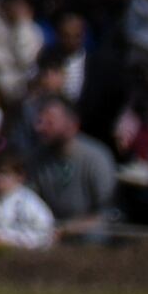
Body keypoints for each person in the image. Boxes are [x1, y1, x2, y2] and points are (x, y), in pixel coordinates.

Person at [23, 93, 115, 241]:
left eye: (50, 122)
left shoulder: (96, 158)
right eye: (40, 121)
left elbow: (108, 211)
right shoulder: (36, 160)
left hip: (88, 232)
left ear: (72, 124)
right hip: (50, 230)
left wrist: (73, 228)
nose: (40, 128)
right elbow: (29, 199)